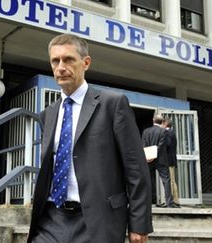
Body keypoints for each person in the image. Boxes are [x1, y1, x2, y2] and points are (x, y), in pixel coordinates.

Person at [27, 33, 153, 243]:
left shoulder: (112, 104)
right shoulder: (48, 114)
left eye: (68, 59)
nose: (61, 67)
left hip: (96, 220)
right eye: (55, 61)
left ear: (86, 63)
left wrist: (139, 224)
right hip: (51, 219)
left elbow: (136, 168)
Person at [142, 115, 175, 208]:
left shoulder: (146, 131)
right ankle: (169, 203)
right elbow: (164, 145)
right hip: (161, 159)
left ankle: (150, 201)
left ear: (153, 120)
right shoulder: (164, 131)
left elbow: (143, 145)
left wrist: (149, 156)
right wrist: (155, 153)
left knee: (149, 180)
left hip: (148, 159)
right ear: (162, 122)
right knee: (166, 180)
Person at [163, 118, 180, 207]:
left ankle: (173, 201)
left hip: (168, 160)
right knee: (172, 180)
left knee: (171, 181)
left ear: (166, 124)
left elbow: (167, 144)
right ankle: (174, 200)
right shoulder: (172, 132)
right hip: (171, 160)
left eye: (162, 123)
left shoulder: (167, 133)